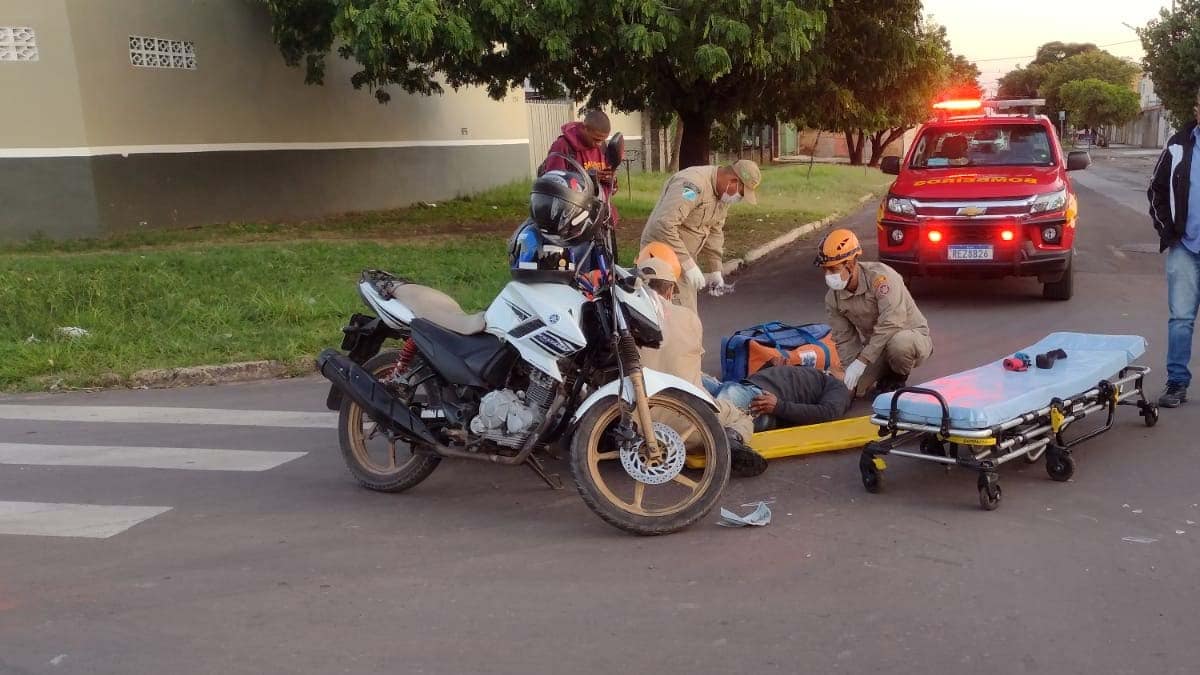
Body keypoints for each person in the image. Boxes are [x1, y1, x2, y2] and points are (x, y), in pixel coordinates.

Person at [634, 246, 767, 477]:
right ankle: (730, 440)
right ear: (670, 291)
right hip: (687, 423)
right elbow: (690, 365)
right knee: (739, 416)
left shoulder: (624, 320)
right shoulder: (688, 319)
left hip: (634, 421)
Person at [815, 228, 932, 398]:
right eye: (825, 270)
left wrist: (863, 360)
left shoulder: (881, 278)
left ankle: (898, 377)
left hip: (910, 337)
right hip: (875, 348)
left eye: (833, 269)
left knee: (900, 344)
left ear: (851, 264)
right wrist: (851, 370)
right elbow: (844, 338)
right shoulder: (833, 298)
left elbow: (892, 322)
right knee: (851, 389)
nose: (828, 275)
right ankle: (882, 372)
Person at [640, 159, 762, 311]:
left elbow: (715, 230)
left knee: (687, 316)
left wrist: (716, 269)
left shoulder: (722, 196)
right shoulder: (692, 186)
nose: (739, 198)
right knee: (677, 318)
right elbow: (664, 224)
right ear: (733, 181)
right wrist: (688, 264)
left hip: (682, 260)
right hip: (661, 261)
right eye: (741, 193)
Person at [1149, 86, 1200, 408]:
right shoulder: (1179, 146)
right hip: (1186, 247)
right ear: (1196, 109)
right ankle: (1177, 383)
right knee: (1181, 319)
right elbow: (1155, 189)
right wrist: (1168, 231)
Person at [709, 364, 851, 433]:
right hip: (743, 387)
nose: (839, 364)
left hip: (760, 400)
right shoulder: (819, 374)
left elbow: (828, 412)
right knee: (691, 380)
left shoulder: (839, 386)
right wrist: (771, 364)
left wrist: (779, 407)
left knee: (709, 413)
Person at [540, 109, 619, 223]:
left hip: (599, 218)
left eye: (602, 140)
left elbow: (609, 189)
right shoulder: (562, 146)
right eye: (596, 139)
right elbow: (554, 183)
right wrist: (589, 178)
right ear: (584, 128)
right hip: (572, 219)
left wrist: (611, 180)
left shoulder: (601, 147)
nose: (598, 144)